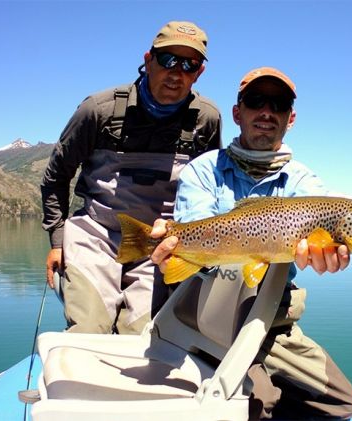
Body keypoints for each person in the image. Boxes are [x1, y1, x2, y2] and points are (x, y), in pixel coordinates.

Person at [150, 67, 352, 420]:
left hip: (271, 317)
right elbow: (192, 230)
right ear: (237, 113)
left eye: (277, 104)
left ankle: (260, 375)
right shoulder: (203, 171)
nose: (266, 112)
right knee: (257, 402)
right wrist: (174, 244)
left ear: (290, 118)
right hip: (206, 311)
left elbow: (324, 233)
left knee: (342, 403)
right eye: (255, 101)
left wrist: (327, 257)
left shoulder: (305, 183)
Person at [40, 21, 222, 335]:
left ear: (199, 73)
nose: (176, 73)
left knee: (142, 337)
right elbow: (57, 177)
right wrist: (57, 241)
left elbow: (210, 188)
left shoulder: (206, 119)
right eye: (168, 60)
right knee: (88, 330)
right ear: (149, 59)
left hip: (160, 244)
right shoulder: (98, 110)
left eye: (189, 65)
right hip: (96, 235)